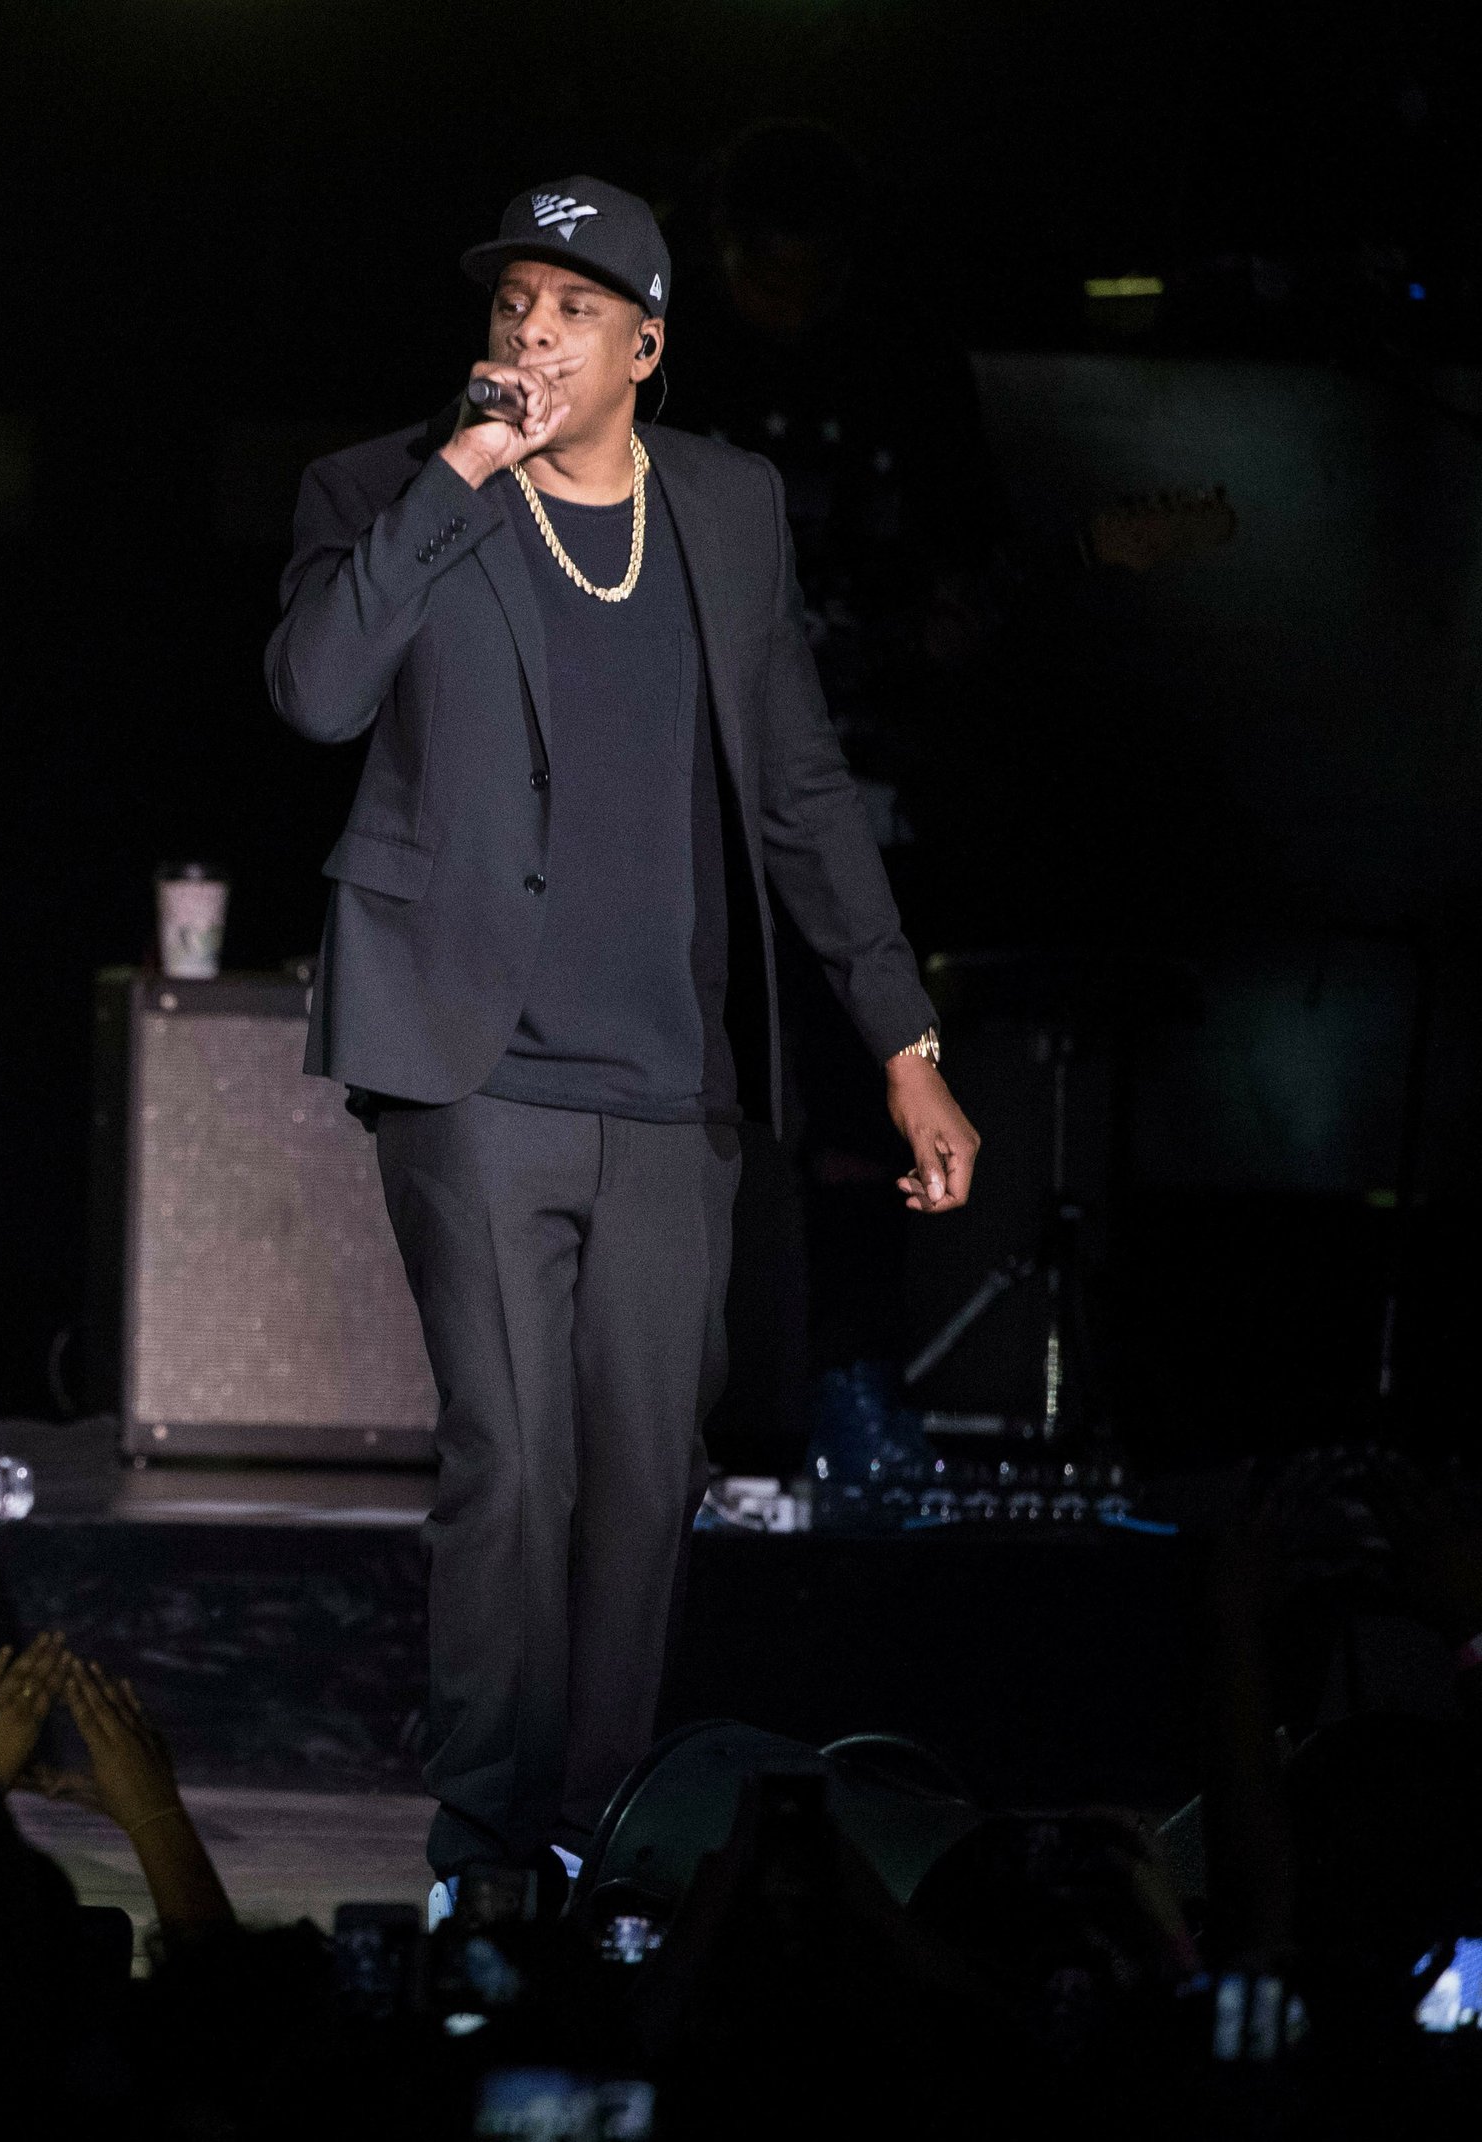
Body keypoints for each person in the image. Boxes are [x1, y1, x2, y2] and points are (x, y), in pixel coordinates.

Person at [262, 177, 980, 1896]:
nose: (533, 333)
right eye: (513, 302)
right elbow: (316, 691)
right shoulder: (386, 489)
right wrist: (463, 470)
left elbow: (801, 791)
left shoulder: (727, 507)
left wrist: (904, 1041)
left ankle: (599, 1833)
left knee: (650, 1477)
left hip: (669, 1082)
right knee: (512, 1463)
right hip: (471, 1065)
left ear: (646, 345)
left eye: (574, 309)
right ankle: (484, 1845)